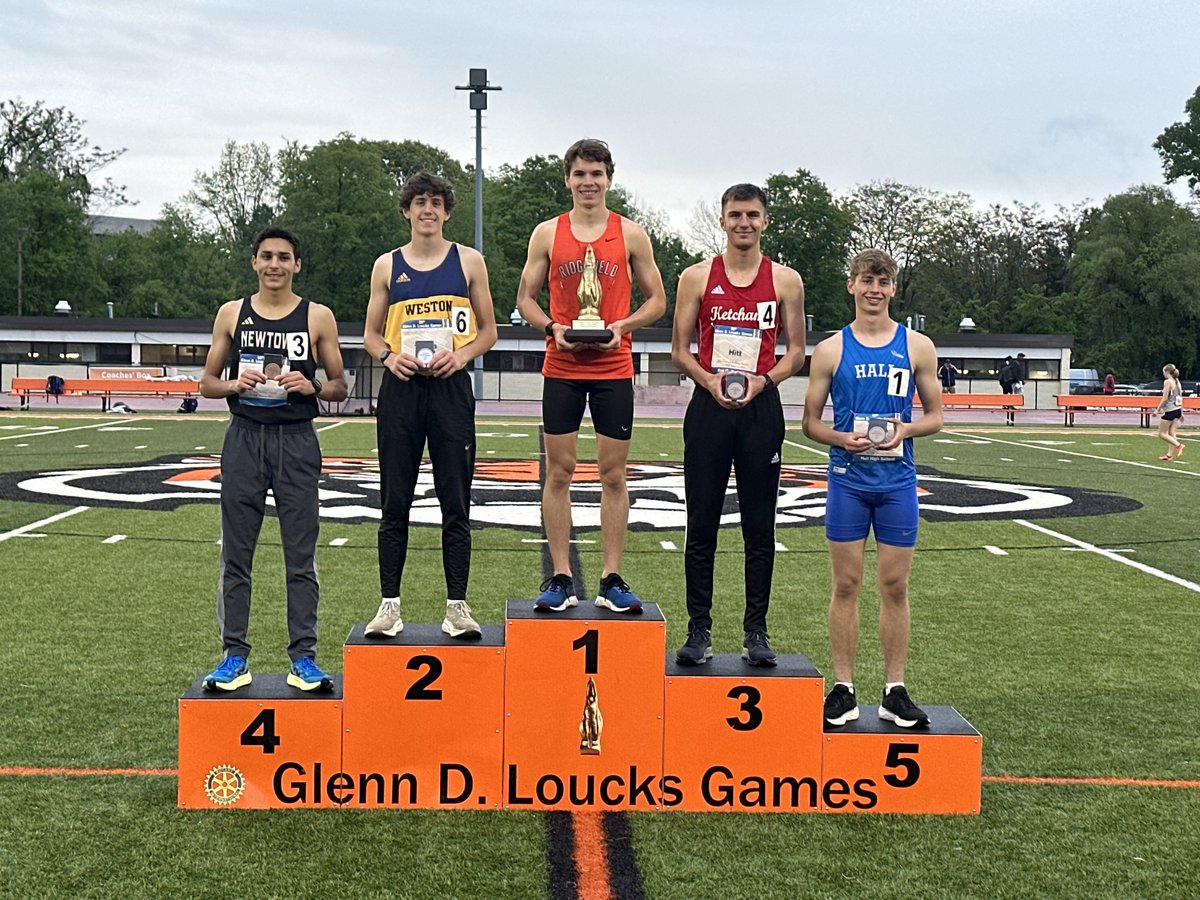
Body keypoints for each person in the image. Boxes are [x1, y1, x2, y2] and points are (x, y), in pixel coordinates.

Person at [515, 138, 666, 613]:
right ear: (567, 179)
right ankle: (560, 575)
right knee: (558, 472)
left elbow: (658, 299)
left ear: (609, 179)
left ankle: (611, 577)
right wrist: (553, 327)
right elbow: (524, 299)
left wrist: (624, 325)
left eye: (596, 174)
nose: (588, 182)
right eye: (580, 174)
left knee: (613, 473)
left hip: (613, 366)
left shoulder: (631, 234)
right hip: (561, 365)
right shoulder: (547, 233)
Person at [199, 227, 348, 692]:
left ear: (297, 265)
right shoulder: (232, 314)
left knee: (300, 557)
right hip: (244, 439)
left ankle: (303, 657)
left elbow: (341, 387)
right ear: (254, 262)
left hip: (296, 440)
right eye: (266, 256)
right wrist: (232, 385)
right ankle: (233, 656)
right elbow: (206, 382)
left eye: (284, 257)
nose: (275, 265)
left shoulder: (317, 316)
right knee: (236, 556)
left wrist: (314, 387)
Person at [802, 248, 944, 729]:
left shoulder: (918, 346)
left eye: (882, 282)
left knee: (895, 586)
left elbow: (936, 417)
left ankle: (894, 690)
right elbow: (808, 422)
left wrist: (907, 430)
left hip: (897, 481)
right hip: (848, 481)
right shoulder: (831, 349)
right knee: (845, 584)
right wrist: (843, 438)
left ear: (893, 288)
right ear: (851, 285)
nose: (874, 289)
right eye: (866, 280)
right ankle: (843, 688)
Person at [671, 183, 805, 667]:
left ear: (765, 221)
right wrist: (708, 381)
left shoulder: (786, 280)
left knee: (759, 527)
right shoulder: (696, 277)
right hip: (708, 408)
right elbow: (679, 351)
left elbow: (795, 353)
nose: (743, 223)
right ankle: (699, 629)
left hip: (760, 410)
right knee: (701, 524)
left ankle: (756, 632)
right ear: (722, 220)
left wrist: (763, 381)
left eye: (752, 215)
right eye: (735, 215)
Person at [362, 173, 498, 640]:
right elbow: (370, 334)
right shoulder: (387, 265)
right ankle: (389, 606)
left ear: (446, 212)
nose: (428, 210)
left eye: (436, 203)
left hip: (450, 390)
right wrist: (386, 356)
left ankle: (457, 607)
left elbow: (489, 330)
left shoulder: (469, 261)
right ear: (406, 210)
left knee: (455, 501)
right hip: (401, 391)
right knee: (394, 501)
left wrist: (459, 356)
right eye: (419, 202)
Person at [1156, 363, 1184, 461]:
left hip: (1170, 411)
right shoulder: (1177, 381)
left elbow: (1164, 398)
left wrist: (1157, 409)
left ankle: (1179, 445)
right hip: (1177, 410)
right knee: (1172, 433)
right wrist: (1181, 410)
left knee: (1162, 434)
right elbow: (1180, 397)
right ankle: (1169, 455)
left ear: (1167, 372)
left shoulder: (1168, 382)